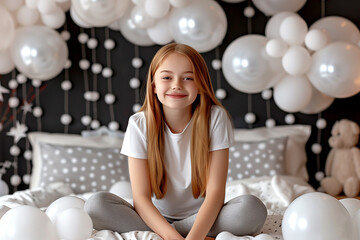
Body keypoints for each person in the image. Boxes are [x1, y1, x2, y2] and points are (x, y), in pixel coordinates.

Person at [84, 43, 267, 240]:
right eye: (167, 77)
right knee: (96, 205)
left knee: (251, 208)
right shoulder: (139, 123)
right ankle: (175, 233)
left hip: (205, 218)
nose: (177, 85)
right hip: (154, 218)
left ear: (200, 84)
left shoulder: (215, 117)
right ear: (154, 86)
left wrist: (194, 236)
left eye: (188, 78)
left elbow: (215, 193)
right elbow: (141, 199)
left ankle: (177, 233)